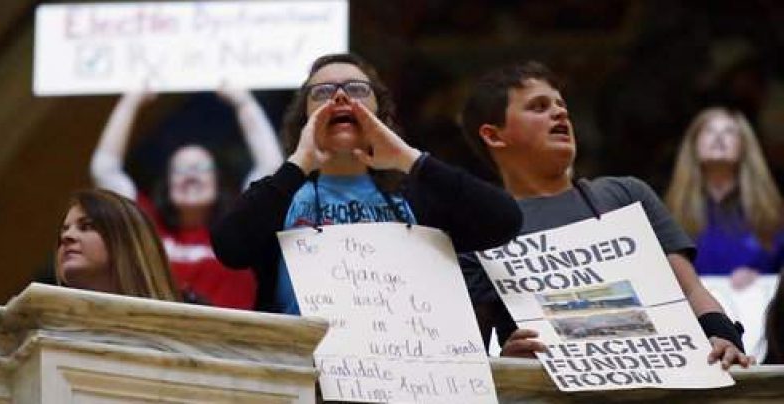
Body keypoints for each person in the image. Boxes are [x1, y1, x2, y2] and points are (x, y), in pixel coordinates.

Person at [459, 61, 751, 368]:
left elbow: (691, 289)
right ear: (494, 136)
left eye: (561, 105)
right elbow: (470, 360)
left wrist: (724, 339)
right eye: (538, 107)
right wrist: (511, 366)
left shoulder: (626, 194)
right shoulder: (478, 229)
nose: (560, 113)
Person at [210, 53, 523, 314]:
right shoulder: (280, 194)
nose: (340, 97)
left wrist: (408, 159)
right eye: (322, 92)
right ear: (304, 118)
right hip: (306, 378)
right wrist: (299, 164)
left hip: (411, 372)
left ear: (380, 112)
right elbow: (230, 249)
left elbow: (504, 221)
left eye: (357, 89)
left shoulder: (418, 192)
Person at [91, 87, 283, 309]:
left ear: (217, 182)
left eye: (201, 168)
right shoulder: (145, 225)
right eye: (181, 170)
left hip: (228, 339)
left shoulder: (240, 227)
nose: (191, 176)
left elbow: (271, 168)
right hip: (158, 338)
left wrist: (243, 102)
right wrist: (130, 100)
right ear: (167, 185)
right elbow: (105, 169)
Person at [666, 107, 784, 288]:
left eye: (729, 132)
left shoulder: (769, 212)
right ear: (694, 146)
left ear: (744, 147)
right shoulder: (672, 213)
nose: (718, 137)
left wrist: (760, 276)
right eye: (709, 131)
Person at [55, 188, 179, 301]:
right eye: (65, 229)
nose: (66, 236)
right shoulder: (38, 317)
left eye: (86, 227)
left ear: (127, 242)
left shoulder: (185, 321)